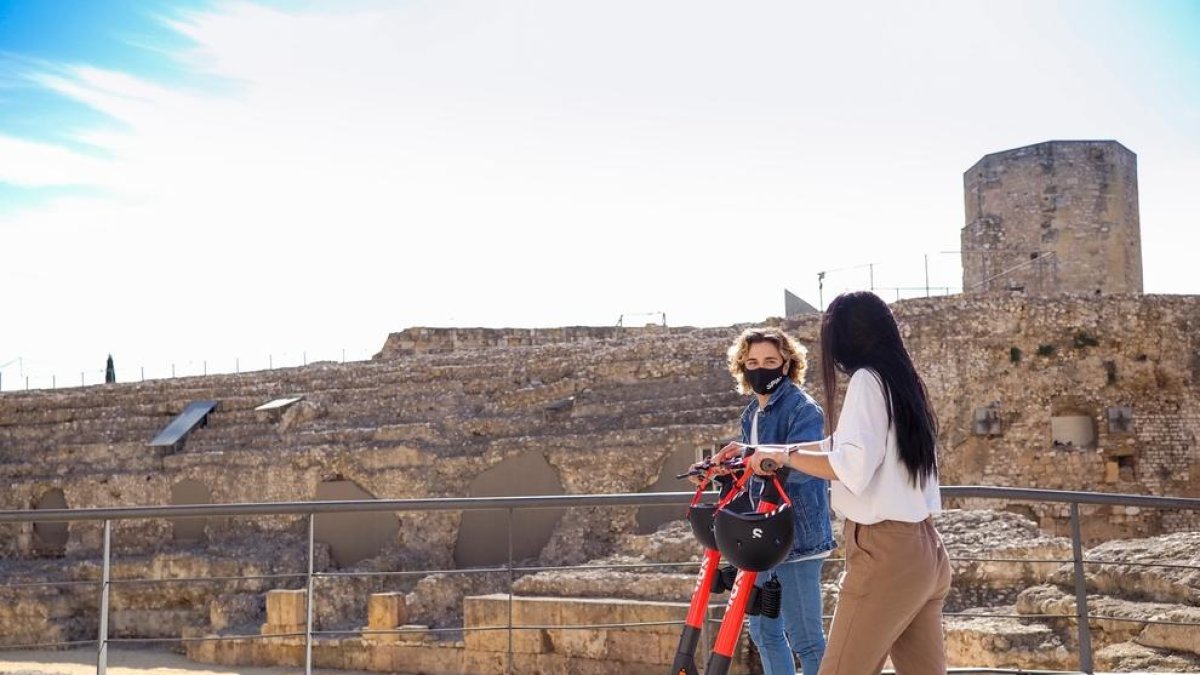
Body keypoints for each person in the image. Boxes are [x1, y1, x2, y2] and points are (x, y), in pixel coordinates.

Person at [717, 291, 951, 674]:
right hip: (925, 551)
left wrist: (786, 457)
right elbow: (841, 445)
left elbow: (851, 466)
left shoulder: (866, 380)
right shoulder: (902, 381)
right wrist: (767, 450)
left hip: (885, 552)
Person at [718, 327, 834, 675]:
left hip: (798, 537)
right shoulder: (751, 414)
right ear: (742, 366)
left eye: (770, 360)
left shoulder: (803, 409)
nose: (761, 368)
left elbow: (804, 469)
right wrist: (725, 466)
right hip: (761, 536)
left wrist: (754, 456)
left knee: (806, 638)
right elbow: (754, 469)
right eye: (752, 361)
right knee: (764, 631)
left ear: (786, 365)